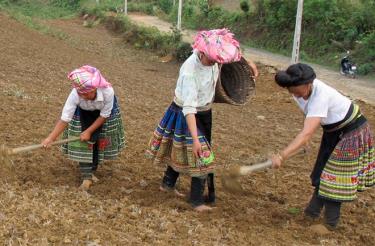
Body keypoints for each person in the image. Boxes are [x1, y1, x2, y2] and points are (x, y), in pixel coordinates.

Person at [146, 28, 259, 212]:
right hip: (186, 113)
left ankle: (167, 184)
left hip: (205, 111)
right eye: (214, 60)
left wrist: (250, 63)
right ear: (204, 53)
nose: (216, 63)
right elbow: (189, 108)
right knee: (201, 155)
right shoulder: (190, 70)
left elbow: (229, 53)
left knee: (181, 147)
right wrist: (196, 140)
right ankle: (197, 201)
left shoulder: (214, 54)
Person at [271, 63, 375, 228]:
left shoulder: (321, 95)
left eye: (299, 92)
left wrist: (282, 156)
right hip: (332, 131)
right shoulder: (298, 92)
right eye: (293, 93)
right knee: (322, 173)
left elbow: (306, 133)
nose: (298, 96)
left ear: (309, 84)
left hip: (352, 131)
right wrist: (305, 139)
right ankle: (311, 213)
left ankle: (330, 224)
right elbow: (308, 117)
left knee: (335, 179)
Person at [42, 65, 125, 191]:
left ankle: (92, 170)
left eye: (86, 94)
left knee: (98, 142)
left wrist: (89, 131)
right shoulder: (75, 94)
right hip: (83, 114)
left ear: (95, 88)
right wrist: (51, 138)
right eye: (81, 94)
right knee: (83, 143)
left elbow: (104, 115)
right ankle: (87, 177)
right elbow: (65, 118)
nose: (83, 96)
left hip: (102, 116)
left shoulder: (108, 92)